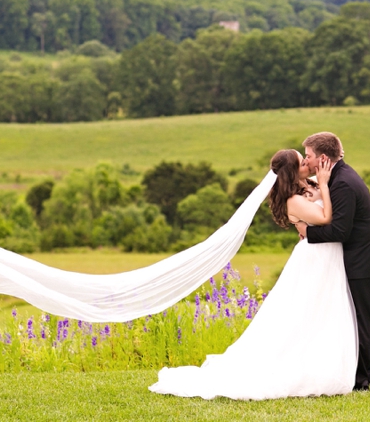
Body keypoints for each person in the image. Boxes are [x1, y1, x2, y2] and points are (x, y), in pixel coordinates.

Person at [148, 149, 358, 400]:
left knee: (326, 310)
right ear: (293, 171)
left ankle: (325, 365)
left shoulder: (310, 184)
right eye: (303, 162)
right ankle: (300, 367)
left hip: (329, 255)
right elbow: (326, 217)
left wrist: (322, 182)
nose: (307, 163)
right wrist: (323, 184)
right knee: (304, 312)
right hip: (315, 259)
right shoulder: (293, 199)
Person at [295, 132, 370, 391]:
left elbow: (340, 231)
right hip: (359, 257)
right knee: (355, 317)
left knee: (362, 319)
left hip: (365, 260)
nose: (307, 161)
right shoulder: (336, 177)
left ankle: (362, 380)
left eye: (309, 156)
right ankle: (361, 375)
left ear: (323, 158)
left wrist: (307, 231)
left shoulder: (343, 183)